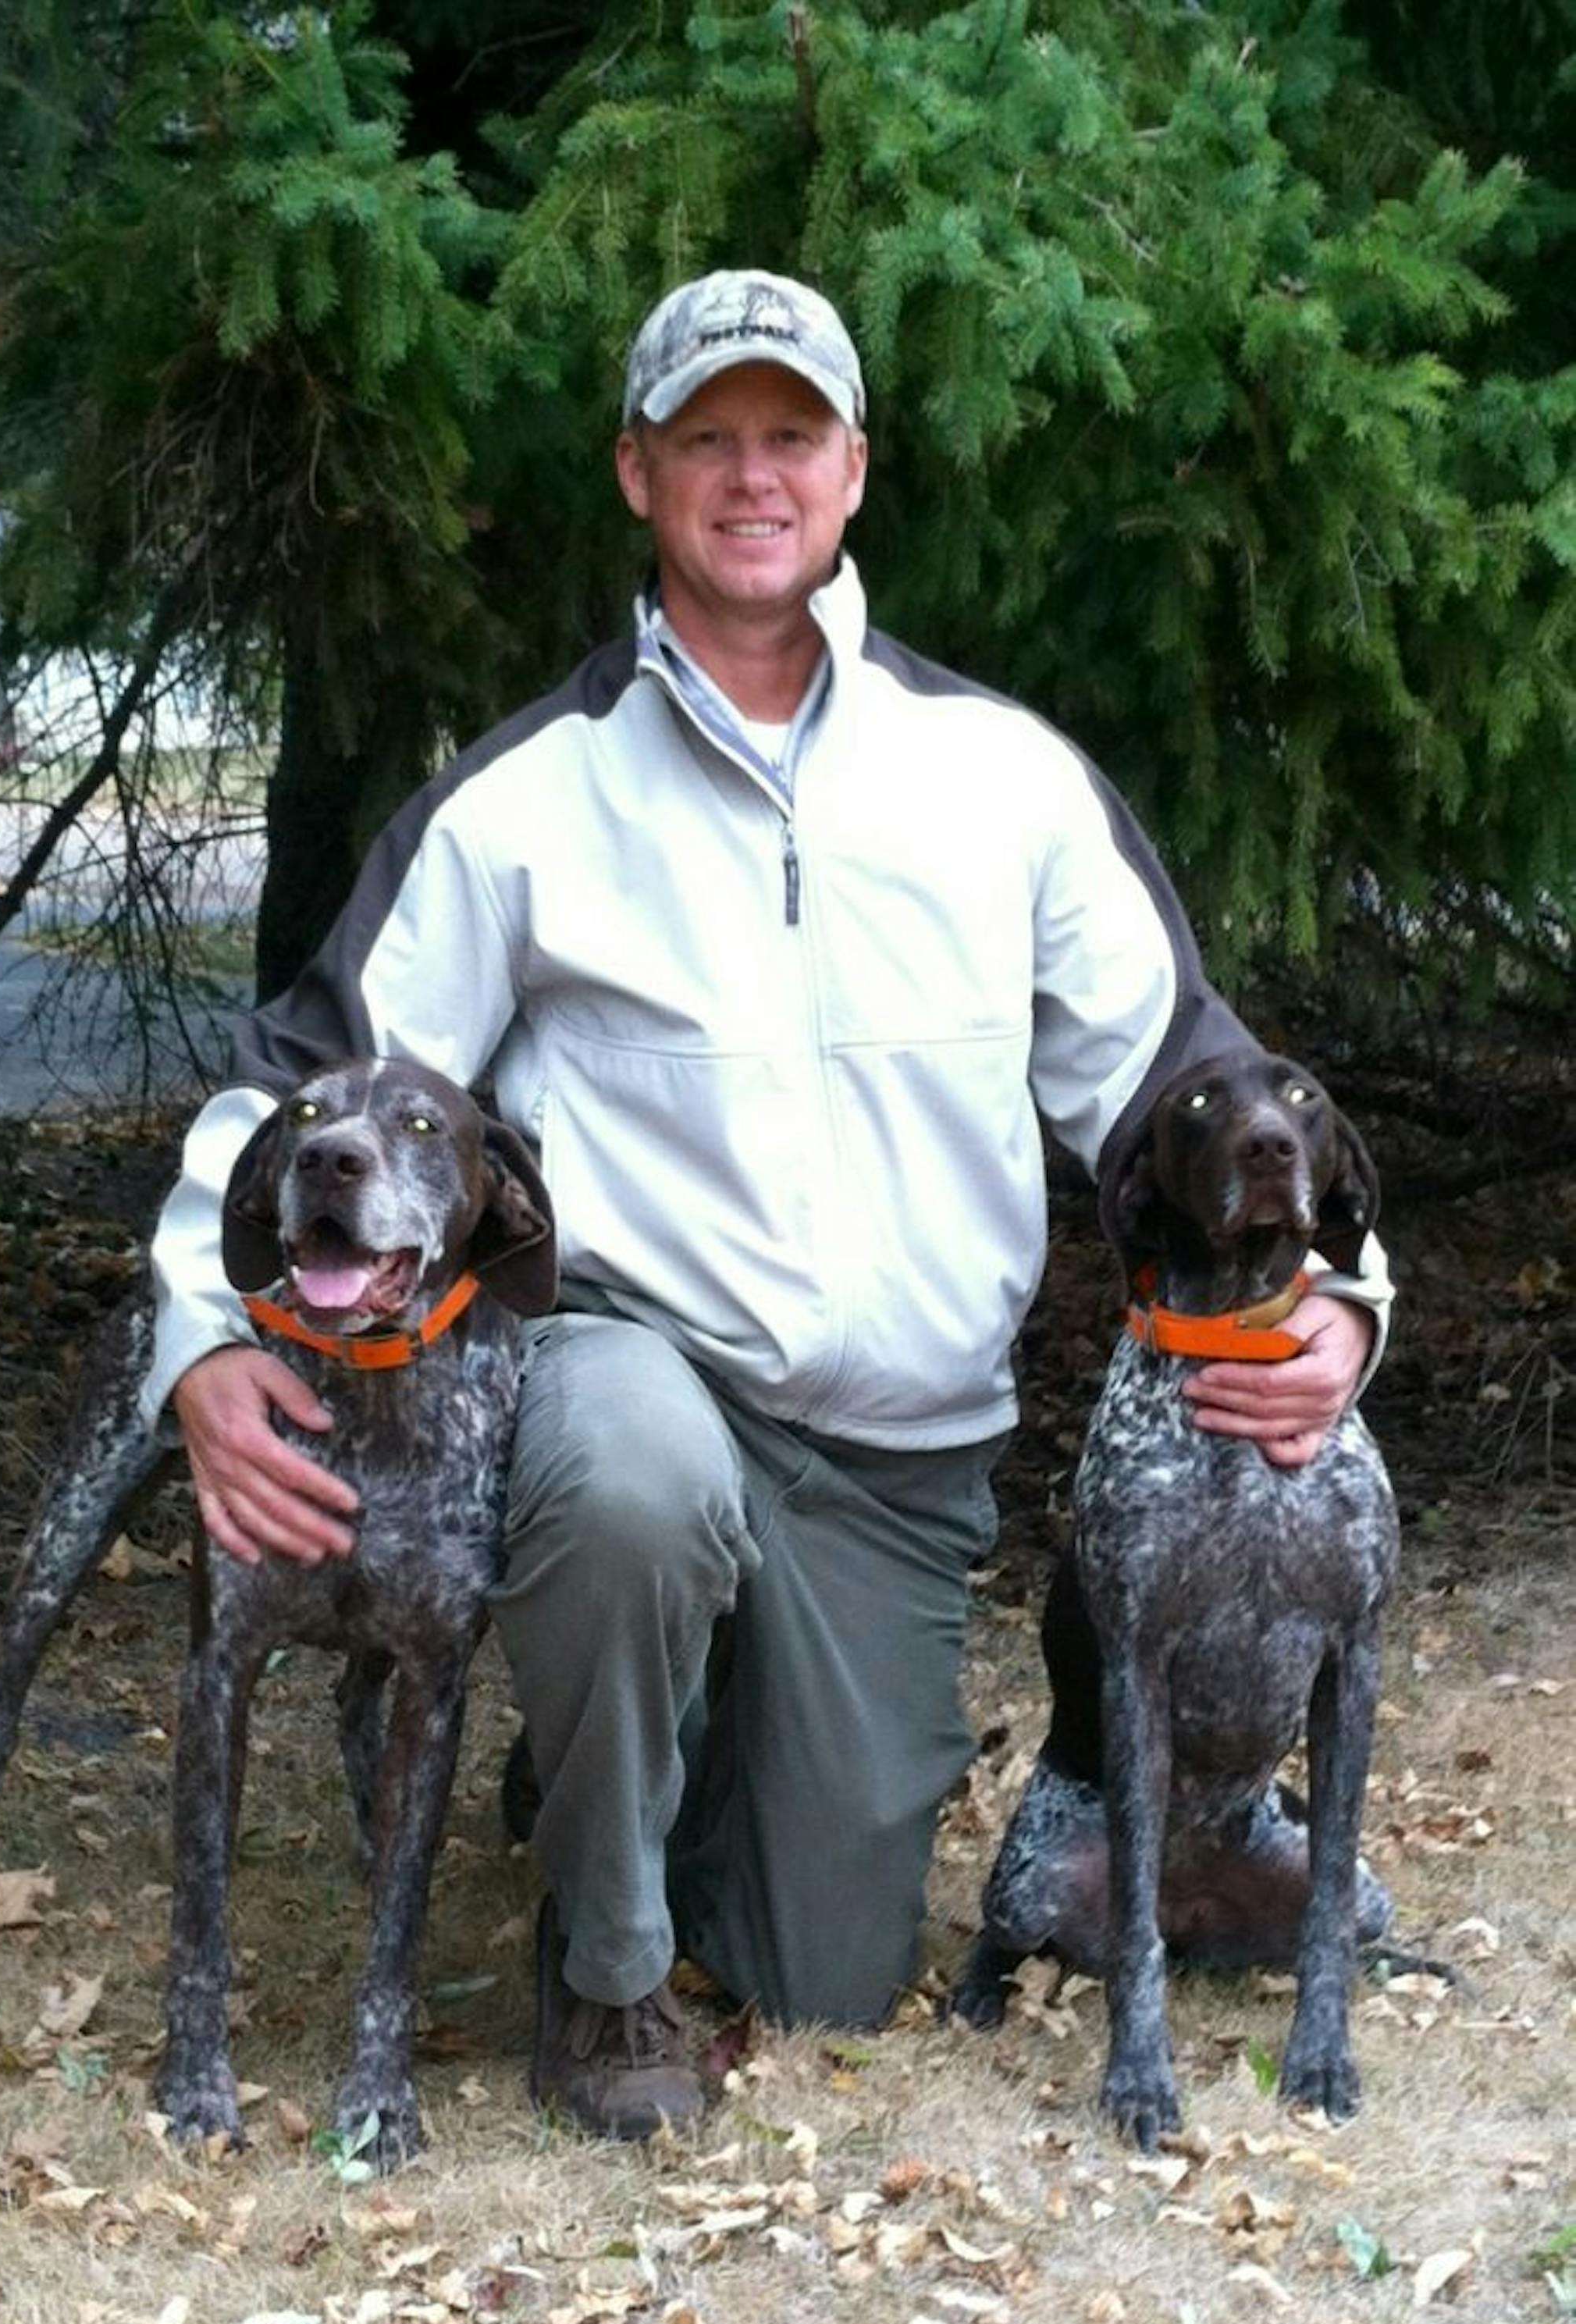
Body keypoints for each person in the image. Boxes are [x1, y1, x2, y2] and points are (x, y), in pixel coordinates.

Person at [144, 269, 1393, 2141]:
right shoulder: (526, 800)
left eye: (791, 436)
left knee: (829, 1968)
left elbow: (1187, 1081)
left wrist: (1346, 1303)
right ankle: (605, 1971)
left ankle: (619, 1755)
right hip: (637, 1379)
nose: (753, 477)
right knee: (630, 1481)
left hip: (893, 1462)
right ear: (636, 472)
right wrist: (202, 1335)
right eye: (707, 438)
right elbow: (305, 1073)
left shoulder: (1003, 780)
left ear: (855, 469)